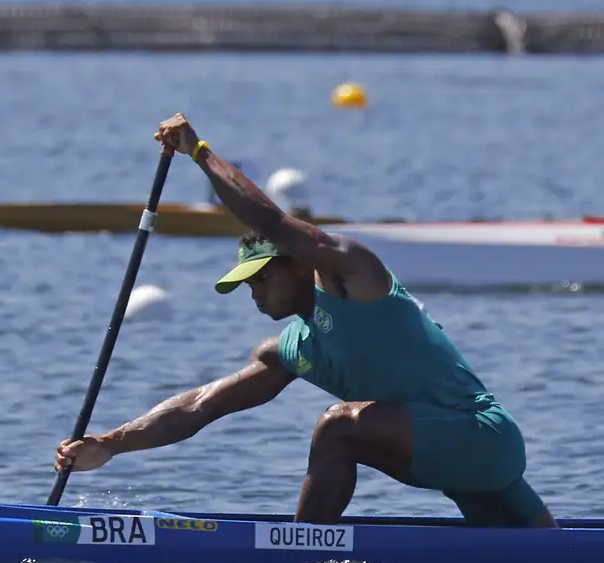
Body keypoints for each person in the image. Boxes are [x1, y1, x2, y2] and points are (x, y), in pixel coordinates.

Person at [53, 112, 558, 529]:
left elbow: (273, 223)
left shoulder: (354, 278)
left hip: (480, 436)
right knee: (549, 555)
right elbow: (200, 406)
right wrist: (110, 445)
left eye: (259, 279)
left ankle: (302, 549)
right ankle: (306, 546)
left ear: (297, 265)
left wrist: (200, 152)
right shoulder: (292, 348)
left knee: (337, 427)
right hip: (461, 464)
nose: (253, 294)